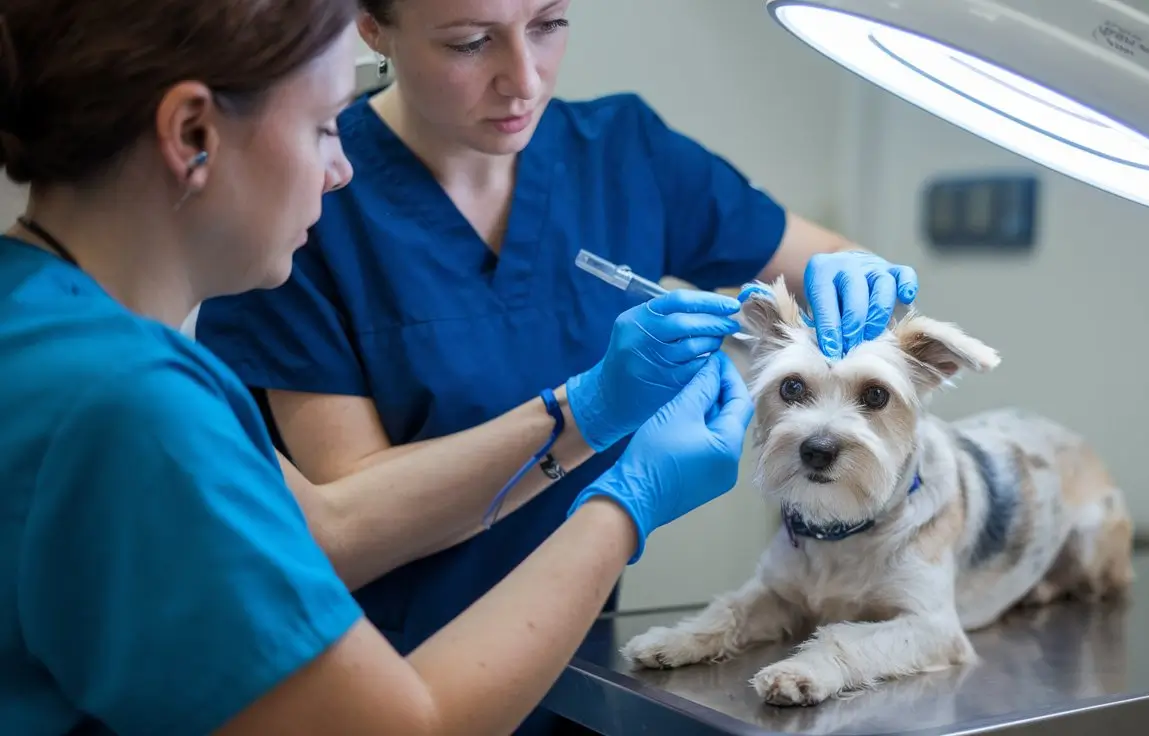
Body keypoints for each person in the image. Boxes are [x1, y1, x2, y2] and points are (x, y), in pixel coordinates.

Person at [0, 2, 762, 734]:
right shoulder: (130, 406)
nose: (340, 170)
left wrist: (584, 412)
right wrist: (622, 505)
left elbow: (304, 526)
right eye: (325, 125)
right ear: (192, 131)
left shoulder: (42, 323)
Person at [194, 4, 919, 730]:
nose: (524, 79)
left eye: (548, 24)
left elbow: (819, 256)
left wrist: (859, 277)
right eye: (471, 42)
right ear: (374, 29)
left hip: (571, 667)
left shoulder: (622, 153)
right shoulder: (311, 196)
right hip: (376, 680)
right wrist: (589, 416)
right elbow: (349, 520)